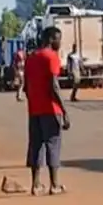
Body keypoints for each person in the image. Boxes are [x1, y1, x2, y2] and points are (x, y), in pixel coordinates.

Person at [24, 27, 70, 196]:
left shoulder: (31, 58)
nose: (60, 42)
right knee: (53, 145)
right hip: (51, 109)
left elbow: (26, 87)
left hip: (34, 110)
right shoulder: (51, 57)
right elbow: (54, 86)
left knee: (35, 146)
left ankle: (35, 185)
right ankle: (54, 184)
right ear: (51, 39)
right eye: (58, 39)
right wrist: (64, 110)